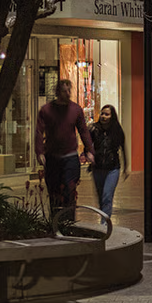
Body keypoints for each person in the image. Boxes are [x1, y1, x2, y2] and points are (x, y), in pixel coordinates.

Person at [35, 79, 94, 221]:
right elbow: (39, 132)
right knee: (54, 191)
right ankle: (56, 222)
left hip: (70, 156)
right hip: (52, 156)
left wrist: (89, 150)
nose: (67, 93)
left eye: (69, 90)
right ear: (57, 92)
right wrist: (40, 152)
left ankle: (69, 222)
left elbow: (83, 131)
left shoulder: (76, 109)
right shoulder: (46, 110)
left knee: (70, 189)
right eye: (64, 91)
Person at [88, 104, 128, 221]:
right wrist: (88, 153)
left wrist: (126, 167)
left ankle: (104, 224)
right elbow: (87, 145)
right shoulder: (94, 129)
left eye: (107, 114)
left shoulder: (117, 130)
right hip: (97, 168)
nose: (103, 116)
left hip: (113, 168)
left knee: (107, 196)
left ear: (112, 116)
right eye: (102, 113)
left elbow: (123, 148)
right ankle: (104, 217)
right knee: (101, 197)